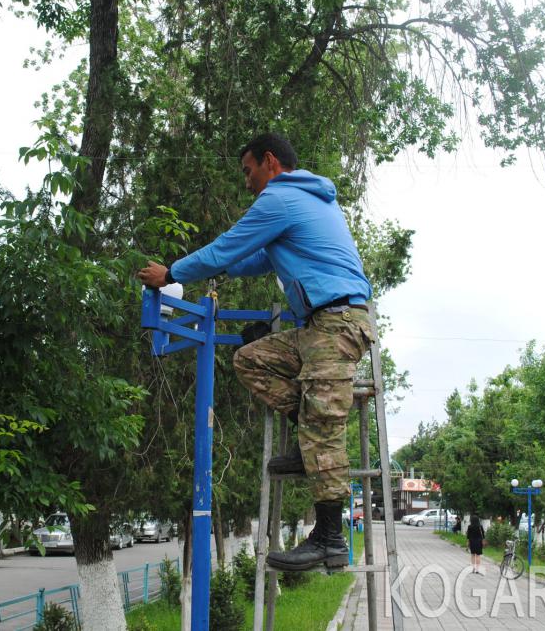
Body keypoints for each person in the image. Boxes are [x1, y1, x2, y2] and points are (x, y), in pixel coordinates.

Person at [137, 133, 373, 571]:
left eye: (248, 172)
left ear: (270, 162)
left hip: (336, 325)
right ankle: (308, 445)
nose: (247, 183)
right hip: (320, 325)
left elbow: (229, 245)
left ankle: (330, 539)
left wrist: (172, 271)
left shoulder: (282, 199)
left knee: (325, 427)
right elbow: (249, 257)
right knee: (251, 358)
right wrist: (216, 267)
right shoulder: (303, 201)